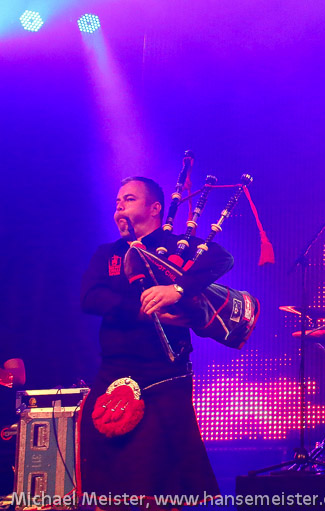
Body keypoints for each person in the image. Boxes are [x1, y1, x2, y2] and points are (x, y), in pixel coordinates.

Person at [79, 176, 232, 506]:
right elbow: (90, 297)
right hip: (115, 371)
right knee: (107, 479)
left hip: (165, 374)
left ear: (155, 208)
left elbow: (221, 258)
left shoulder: (177, 246)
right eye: (117, 201)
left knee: (163, 480)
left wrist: (176, 289)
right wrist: (142, 311)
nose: (119, 205)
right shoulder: (108, 254)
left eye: (129, 199)